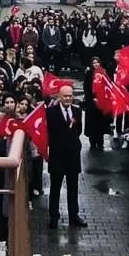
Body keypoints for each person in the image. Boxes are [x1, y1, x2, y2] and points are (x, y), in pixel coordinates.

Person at [45, 82, 85, 229]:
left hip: (73, 156)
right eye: (65, 96)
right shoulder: (51, 112)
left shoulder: (77, 111)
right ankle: (54, 217)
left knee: (73, 188)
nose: (68, 99)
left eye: (70, 96)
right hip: (57, 157)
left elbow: (79, 130)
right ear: (60, 97)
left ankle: (74, 215)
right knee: (55, 189)